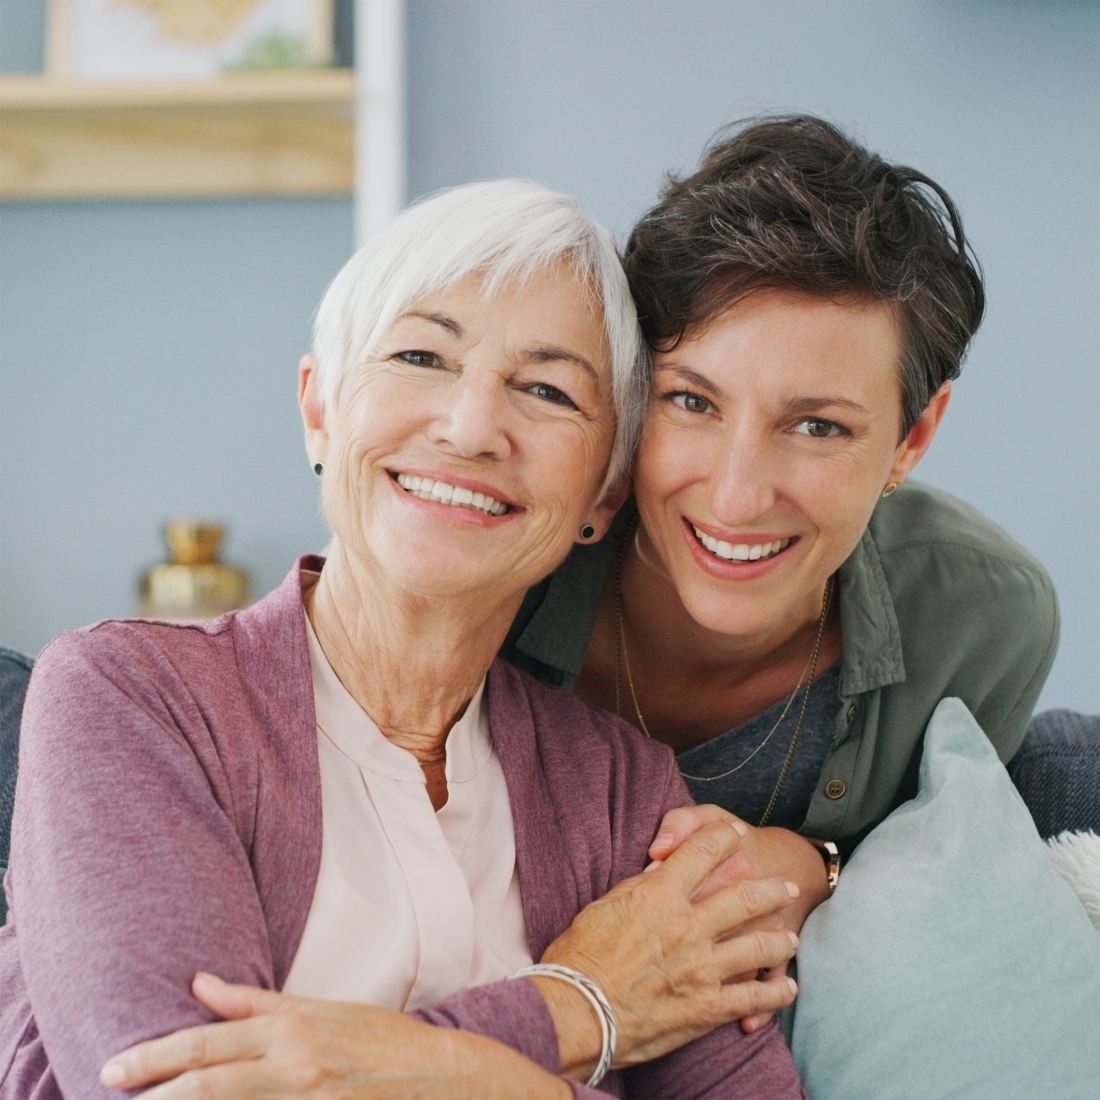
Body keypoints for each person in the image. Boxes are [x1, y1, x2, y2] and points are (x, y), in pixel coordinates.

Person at [0, 180, 805, 1100]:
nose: (469, 429)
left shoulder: (622, 792)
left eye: (547, 390)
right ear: (320, 411)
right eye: (422, 355)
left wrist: (443, 1067)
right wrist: (571, 1015)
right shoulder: (130, 698)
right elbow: (166, 1087)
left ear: (604, 496)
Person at [503, 117, 1060, 998]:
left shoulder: (984, 619)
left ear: (913, 439)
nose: (735, 496)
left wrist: (815, 866)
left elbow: (932, 890)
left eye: (817, 426)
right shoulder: (504, 562)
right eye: (692, 402)